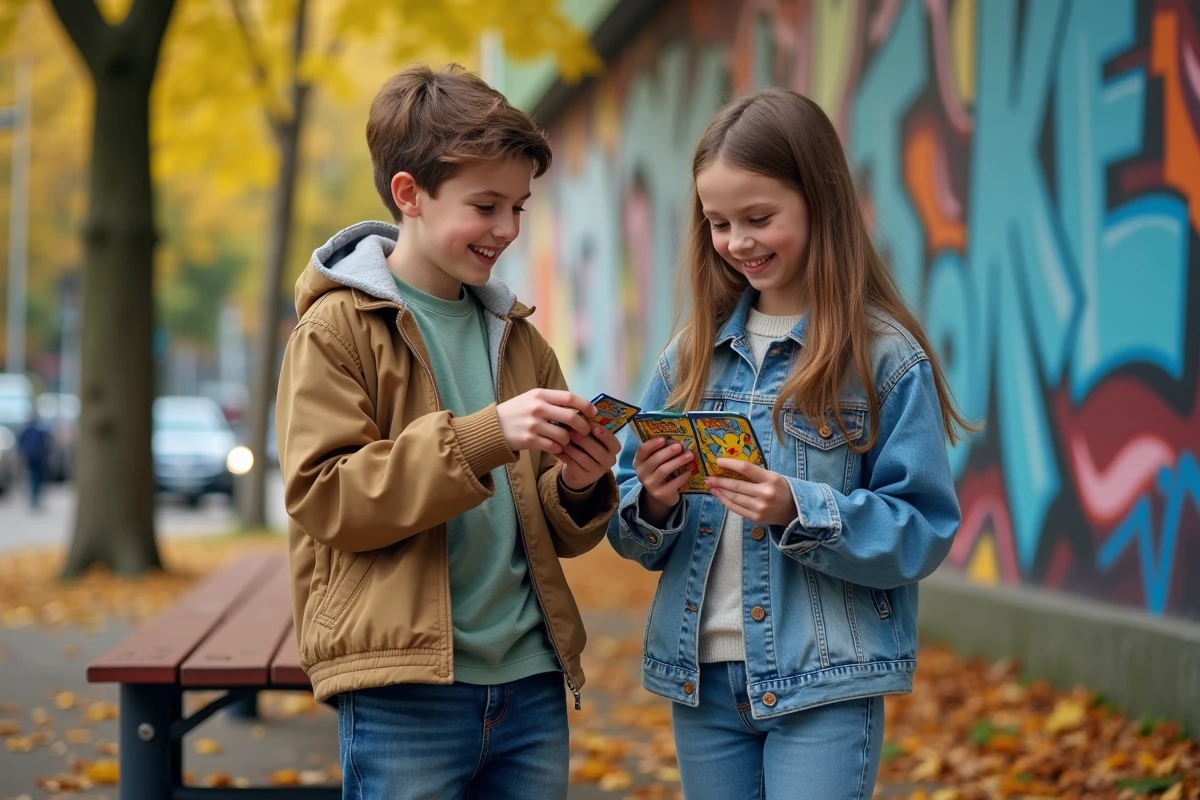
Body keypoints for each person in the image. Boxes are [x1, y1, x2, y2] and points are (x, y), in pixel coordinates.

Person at [606, 88, 976, 799]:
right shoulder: (687, 359)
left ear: (819, 202)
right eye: (718, 223)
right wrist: (652, 501)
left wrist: (798, 508)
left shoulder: (883, 358)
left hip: (826, 685)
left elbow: (922, 530)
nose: (737, 241)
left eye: (759, 218)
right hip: (702, 683)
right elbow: (633, 530)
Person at [275, 64, 621, 800]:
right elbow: (327, 497)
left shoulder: (519, 338)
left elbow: (553, 528)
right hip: (405, 690)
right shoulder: (335, 329)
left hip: (531, 679)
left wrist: (580, 483)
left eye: (518, 207)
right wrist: (484, 435)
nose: (507, 229)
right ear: (410, 195)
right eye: (486, 205)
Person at [17, 409, 51, 510]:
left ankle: (36, 499)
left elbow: (47, 444)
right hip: (32, 458)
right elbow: (21, 445)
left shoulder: (39, 430)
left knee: (38, 479)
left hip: (39, 458)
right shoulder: (27, 430)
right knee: (33, 478)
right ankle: (34, 499)